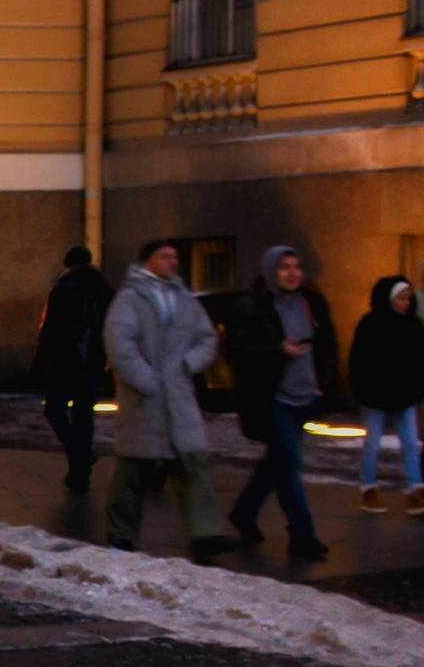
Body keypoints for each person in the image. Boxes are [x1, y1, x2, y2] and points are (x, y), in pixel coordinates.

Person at [103, 238, 234, 557]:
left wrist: (189, 364)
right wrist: (144, 380)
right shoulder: (130, 299)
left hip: (178, 397)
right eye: (165, 256)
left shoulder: (184, 298)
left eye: (175, 257)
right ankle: (121, 532)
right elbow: (120, 345)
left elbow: (206, 338)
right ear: (148, 261)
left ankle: (206, 532)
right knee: (132, 467)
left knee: (192, 462)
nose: (173, 262)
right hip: (143, 400)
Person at [226, 245, 343, 560]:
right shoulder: (253, 307)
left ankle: (244, 512)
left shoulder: (312, 303)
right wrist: (278, 350)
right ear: (270, 271)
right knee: (289, 464)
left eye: (296, 267)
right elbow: (237, 351)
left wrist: (324, 386)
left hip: (306, 395)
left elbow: (327, 346)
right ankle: (302, 534)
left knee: (275, 463)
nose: (292, 273)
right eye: (284, 267)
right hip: (273, 398)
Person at [33, 246, 115, 493]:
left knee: (55, 410)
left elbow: (52, 330)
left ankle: (79, 456)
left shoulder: (64, 288)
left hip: (65, 360)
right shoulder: (104, 289)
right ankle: (80, 470)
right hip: (93, 361)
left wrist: (40, 363)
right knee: (83, 413)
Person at [348, 276, 423, 515]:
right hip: (375, 392)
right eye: (401, 298)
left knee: (410, 443)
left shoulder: (413, 325)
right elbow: (358, 359)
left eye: (408, 299)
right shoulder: (371, 323)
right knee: (373, 442)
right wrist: (360, 388)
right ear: (390, 299)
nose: (406, 303)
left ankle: (415, 488)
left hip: (404, 393)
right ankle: (368, 487)